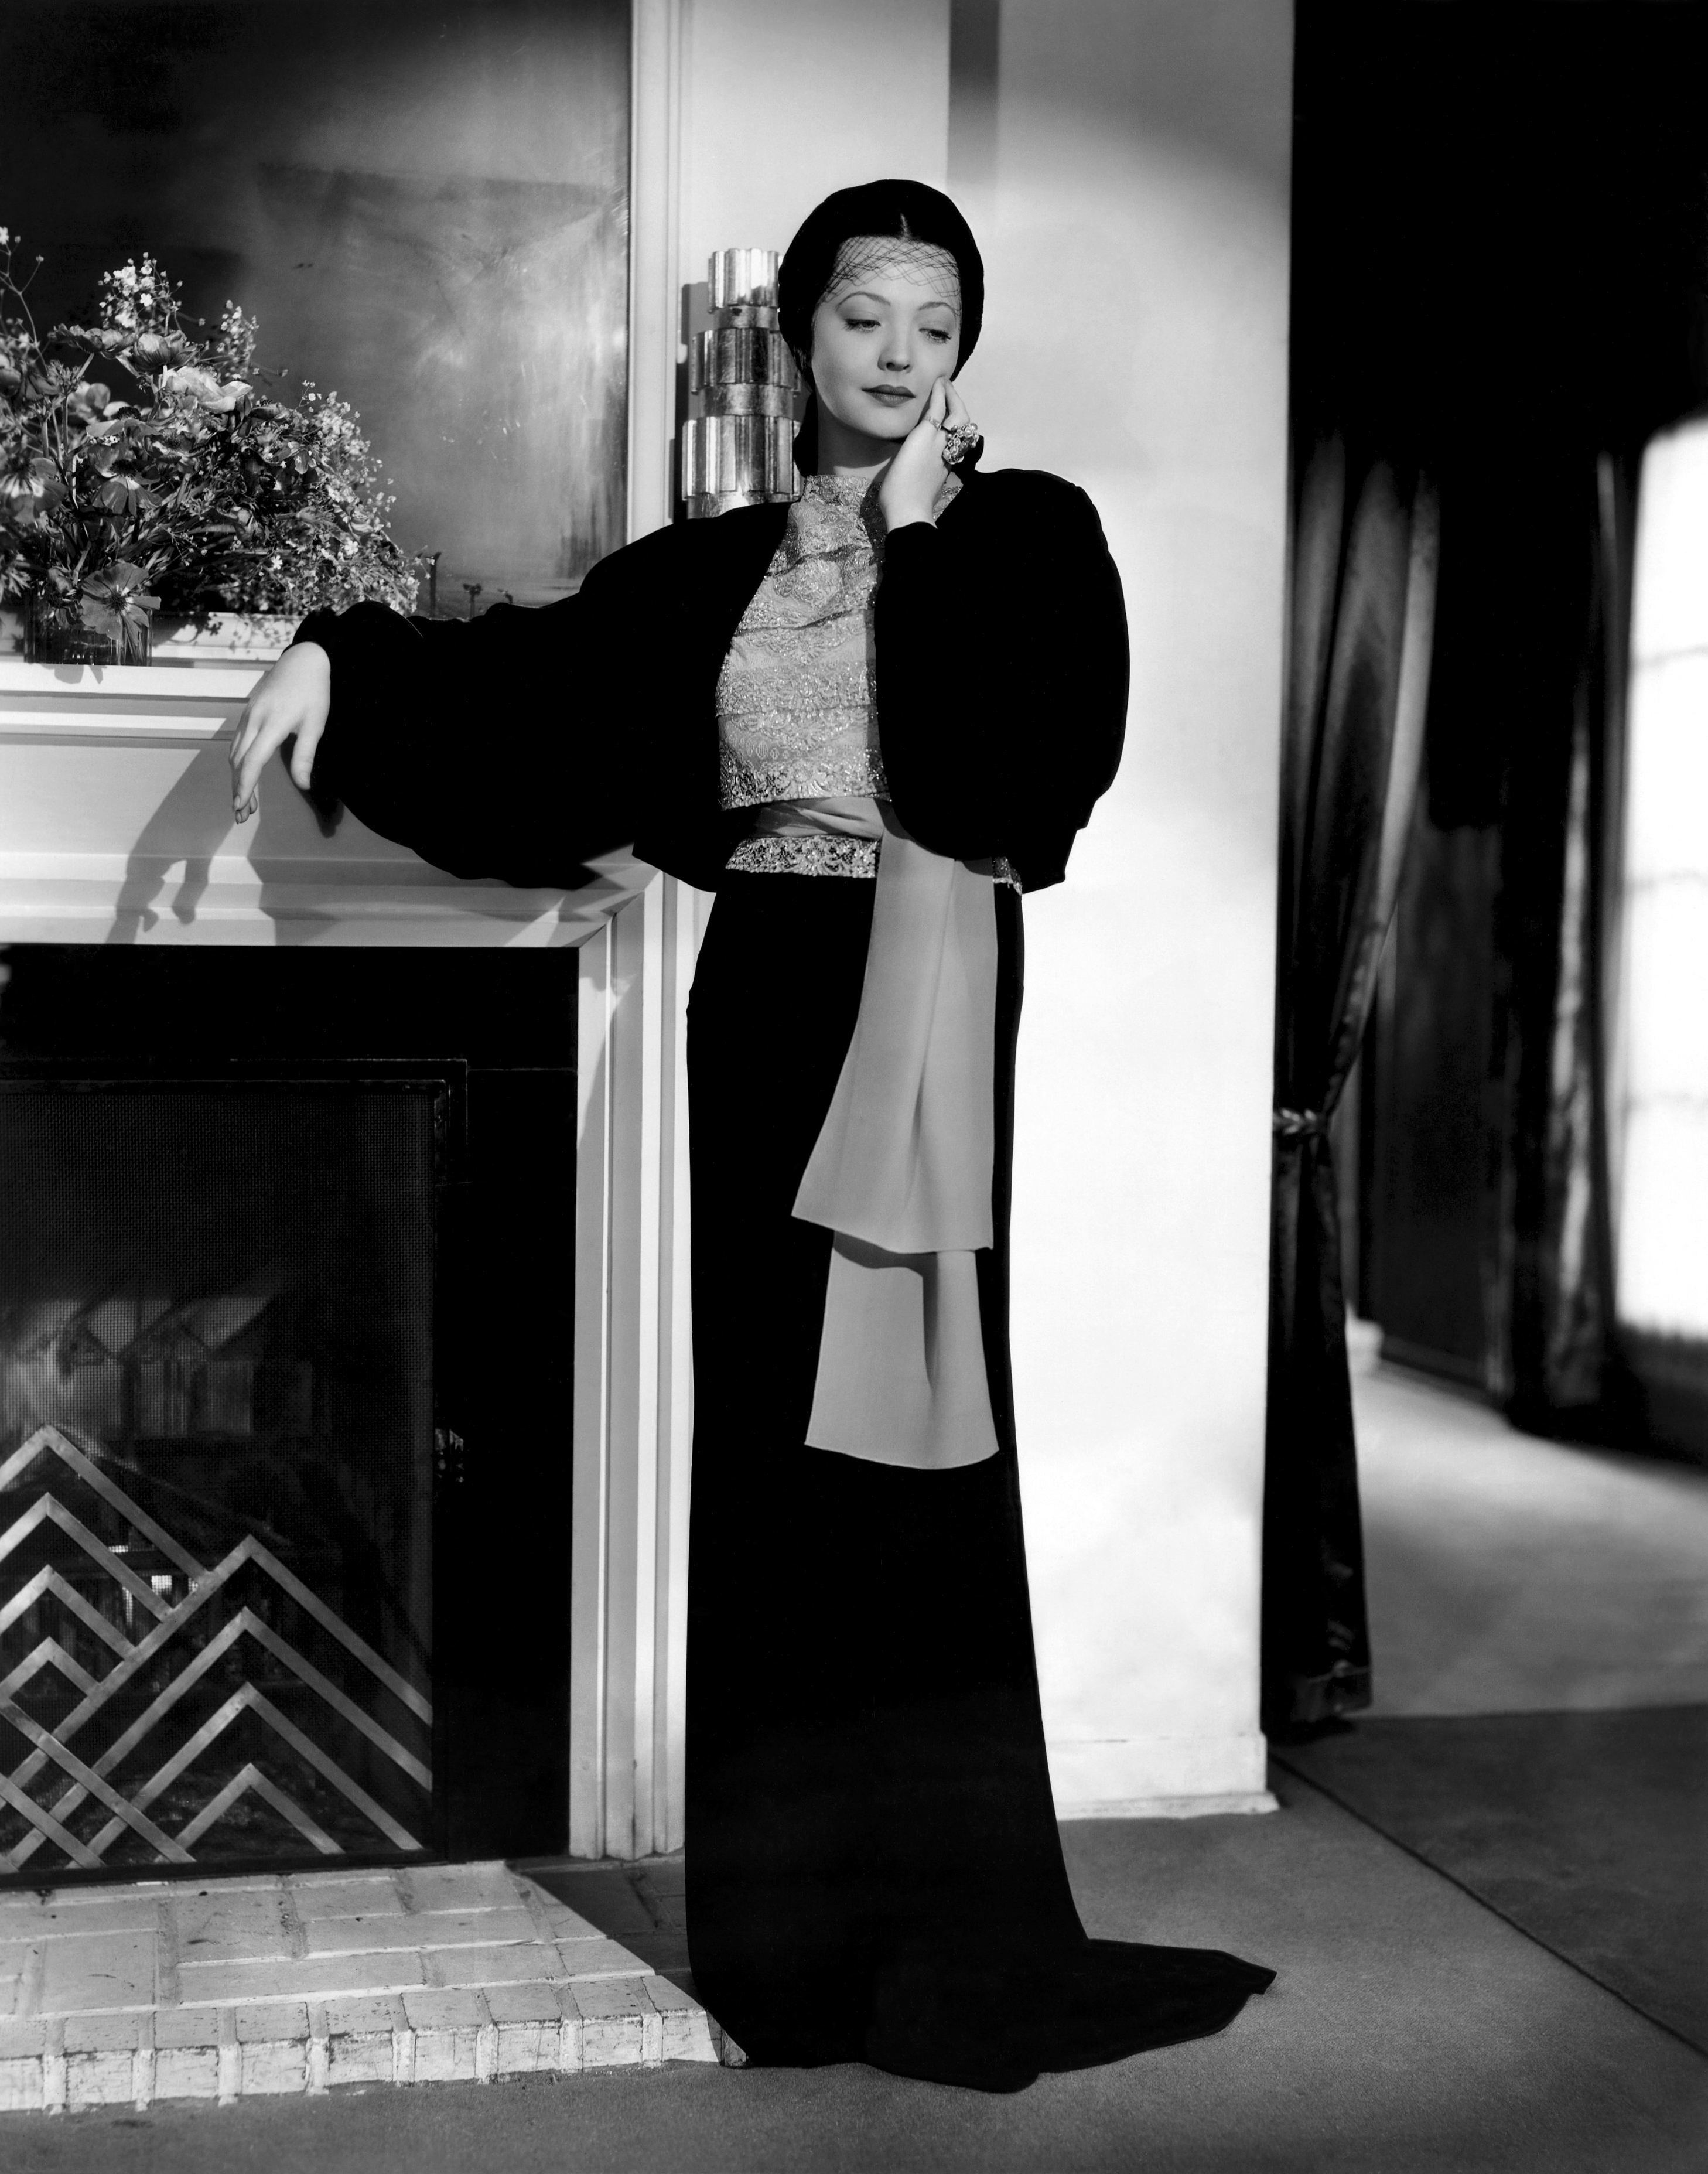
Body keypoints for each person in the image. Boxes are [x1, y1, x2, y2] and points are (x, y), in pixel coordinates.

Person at [231, 178, 1273, 2093]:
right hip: (772, 991)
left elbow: (998, 771)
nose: (899, 354)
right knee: (776, 1467)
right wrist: (333, 650)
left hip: (927, 985)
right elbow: (526, 677)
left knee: (911, 1462)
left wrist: (918, 535)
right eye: (864, 316)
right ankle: (794, 1949)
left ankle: (943, 1931)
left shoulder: (1028, 535)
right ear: (798, 336)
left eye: (934, 324)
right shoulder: (708, 566)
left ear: (965, 349)